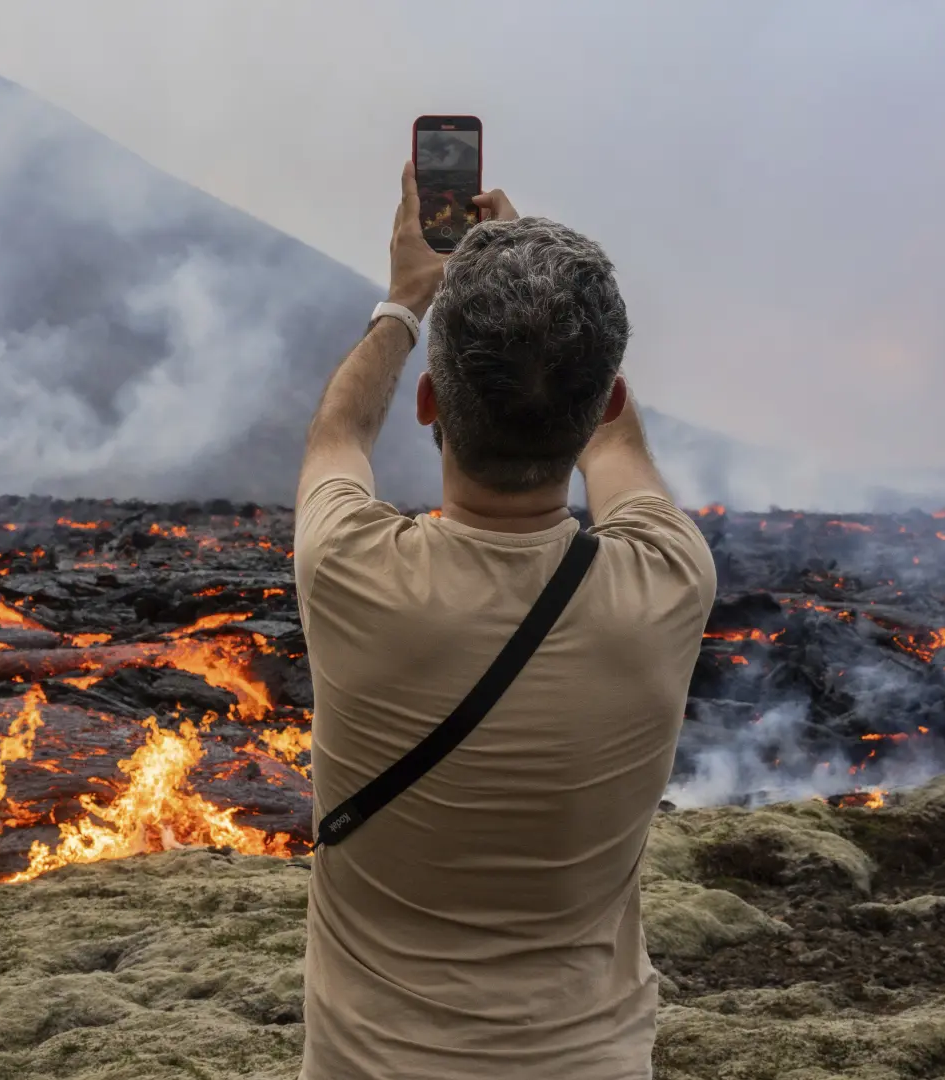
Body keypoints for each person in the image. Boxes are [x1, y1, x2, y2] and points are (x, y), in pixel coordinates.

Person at [293, 163, 716, 1079]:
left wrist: (410, 299)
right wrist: (549, 311)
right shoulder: (670, 578)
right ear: (602, 399)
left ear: (430, 404)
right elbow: (614, 438)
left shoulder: (350, 570)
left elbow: (336, 437)